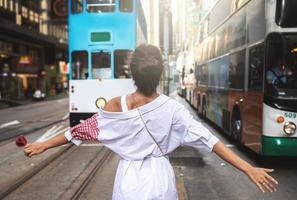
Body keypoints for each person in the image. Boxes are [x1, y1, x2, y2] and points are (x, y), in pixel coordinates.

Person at [23, 44, 278, 200]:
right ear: (160, 74)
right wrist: (248, 168)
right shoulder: (173, 109)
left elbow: (79, 132)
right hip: (160, 179)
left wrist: (43, 145)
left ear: (131, 73)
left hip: (128, 181)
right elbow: (210, 141)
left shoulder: (115, 105)